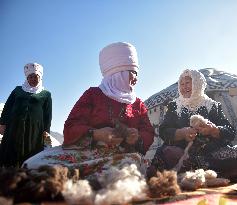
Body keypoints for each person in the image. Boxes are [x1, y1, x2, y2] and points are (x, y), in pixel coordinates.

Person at [22, 42, 155, 188]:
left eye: (136, 73)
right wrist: (96, 134)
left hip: (121, 156)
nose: (136, 79)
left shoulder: (138, 104)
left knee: (132, 163)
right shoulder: (93, 94)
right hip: (86, 153)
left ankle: (75, 183)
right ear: (117, 74)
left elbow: (148, 132)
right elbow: (70, 127)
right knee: (31, 165)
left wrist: (136, 138)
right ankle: (90, 182)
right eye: (132, 73)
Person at [147, 69, 237, 181]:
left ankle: (199, 175)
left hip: (211, 152)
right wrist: (182, 133)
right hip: (182, 151)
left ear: (197, 83)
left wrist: (213, 130)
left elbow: (230, 131)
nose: (184, 87)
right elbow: (164, 130)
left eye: (188, 83)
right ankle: (220, 175)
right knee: (168, 153)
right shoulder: (174, 106)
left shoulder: (212, 105)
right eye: (182, 84)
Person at [0, 63, 52, 167]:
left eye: (35, 76)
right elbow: (7, 107)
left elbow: (48, 114)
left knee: (31, 153)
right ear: (27, 78)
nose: (33, 79)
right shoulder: (17, 90)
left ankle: (26, 175)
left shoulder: (46, 94)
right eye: (30, 77)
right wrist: (2, 123)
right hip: (14, 126)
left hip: (34, 129)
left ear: (40, 77)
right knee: (10, 151)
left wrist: (46, 131)